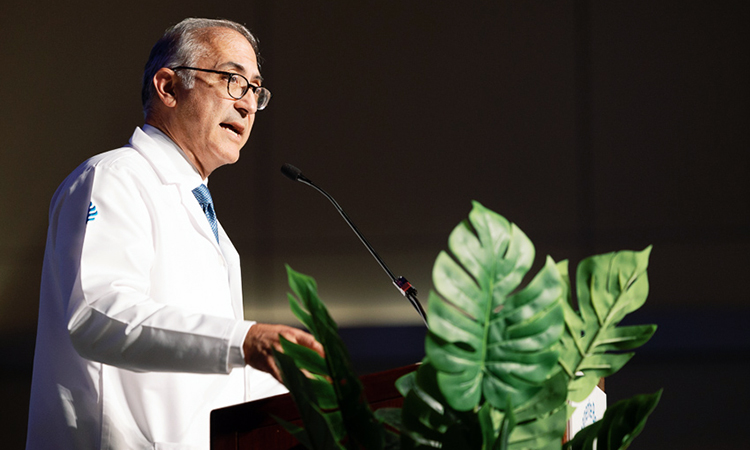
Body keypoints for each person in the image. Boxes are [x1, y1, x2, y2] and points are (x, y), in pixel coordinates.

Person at [26, 18, 322, 449]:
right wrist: (247, 338)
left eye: (255, 90)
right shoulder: (114, 177)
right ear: (167, 86)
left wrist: (305, 389)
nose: (247, 104)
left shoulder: (212, 225)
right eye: (233, 80)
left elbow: (209, 379)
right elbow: (97, 313)